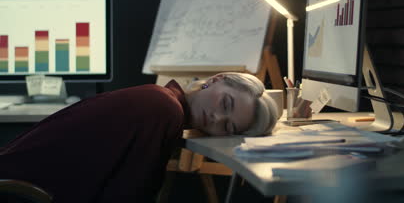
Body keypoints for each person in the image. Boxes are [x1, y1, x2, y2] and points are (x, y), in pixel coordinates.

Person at [0, 72, 280, 203]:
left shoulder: (162, 100)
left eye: (229, 127)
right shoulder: (163, 108)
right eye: (226, 104)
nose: (218, 118)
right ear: (215, 79)